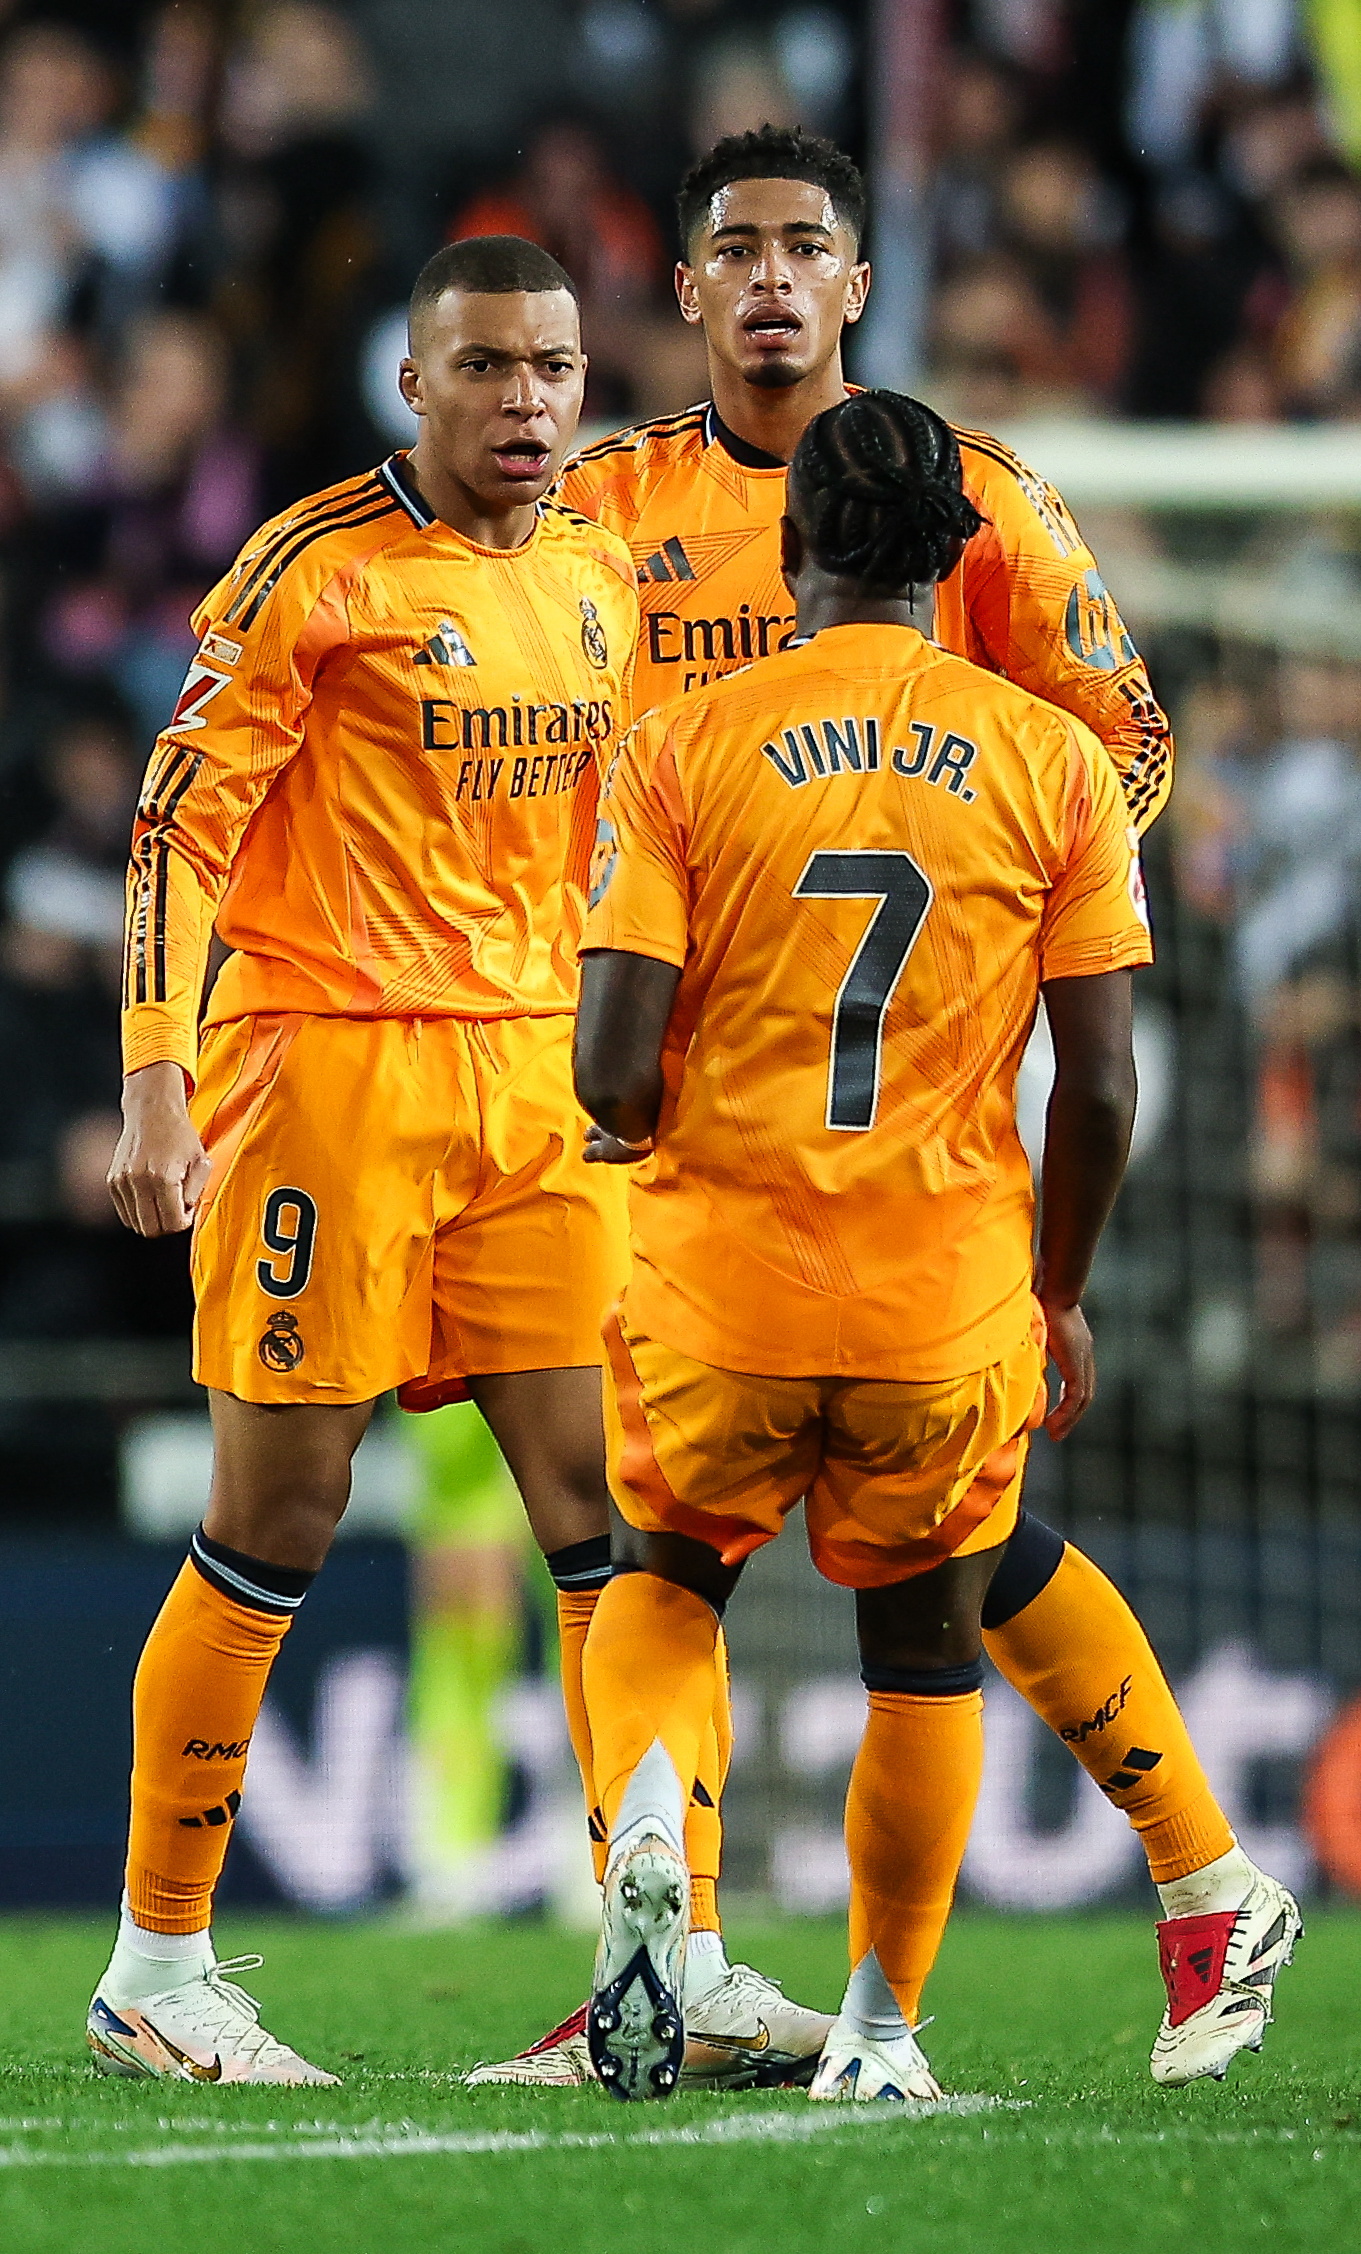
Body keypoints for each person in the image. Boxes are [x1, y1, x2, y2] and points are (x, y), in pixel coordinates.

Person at [512, 122, 1285, 2097]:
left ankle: (684, 1941)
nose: (770, 277)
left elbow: (1130, 745)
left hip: (839, 1081)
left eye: (806, 246)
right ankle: (1103, 1901)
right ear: (682, 290)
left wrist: (964, 891)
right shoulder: (594, 505)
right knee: (921, 1539)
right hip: (666, 1072)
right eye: (734, 248)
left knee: (672, 1552)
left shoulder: (989, 502)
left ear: (854, 282)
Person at [84, 236, 645, 2089]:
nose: (527, 403)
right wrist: (157, 1076)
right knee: (280, 1522)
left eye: (554, 369)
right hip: (326, 1070)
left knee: (609, 1520)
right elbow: (177, 821)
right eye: (486, 368)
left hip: (533, 1080)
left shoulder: (594, 572)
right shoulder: (315, 567)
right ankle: (158, 1966)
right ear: (417, 385)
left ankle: (659, 1960)